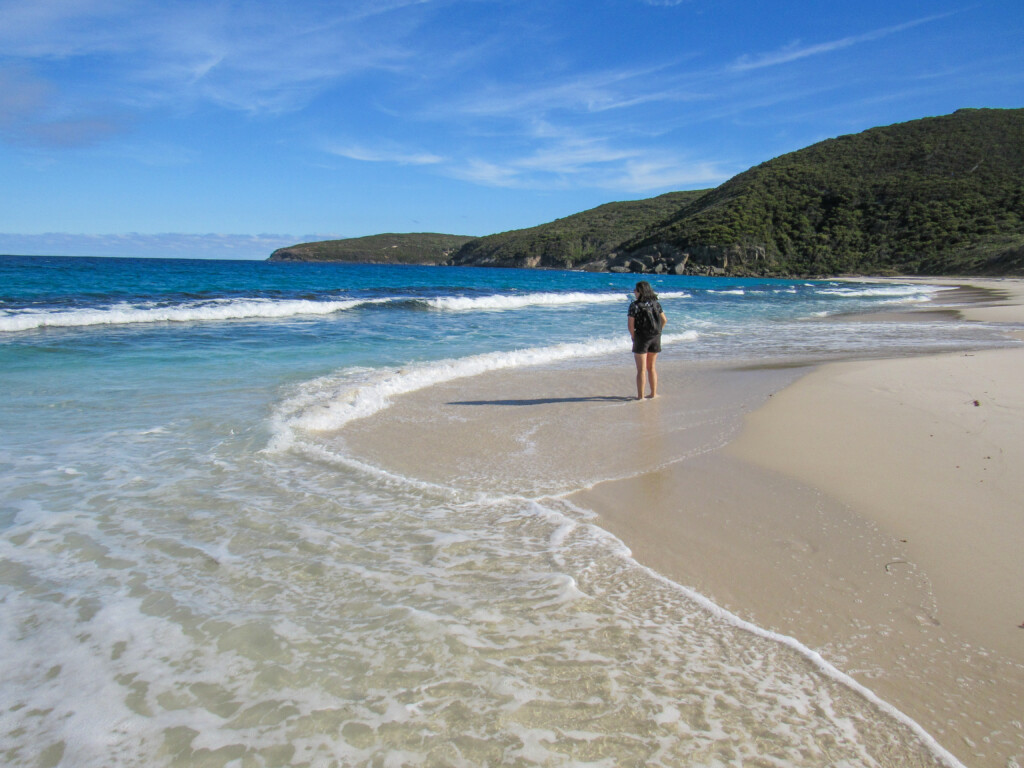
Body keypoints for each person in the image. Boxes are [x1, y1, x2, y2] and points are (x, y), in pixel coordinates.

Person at [627, 280, 667, 400]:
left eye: (636, 290)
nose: (634, 292)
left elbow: (630, 325)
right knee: (652, 367)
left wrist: (633, 337)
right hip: (655, 337)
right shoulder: (656, 304)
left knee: (641, 369)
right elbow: (664, 320)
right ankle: (653, 393)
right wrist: (658, 332)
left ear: (640, 292)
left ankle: (641, 396)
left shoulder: (635, 305)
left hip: (642, 338)